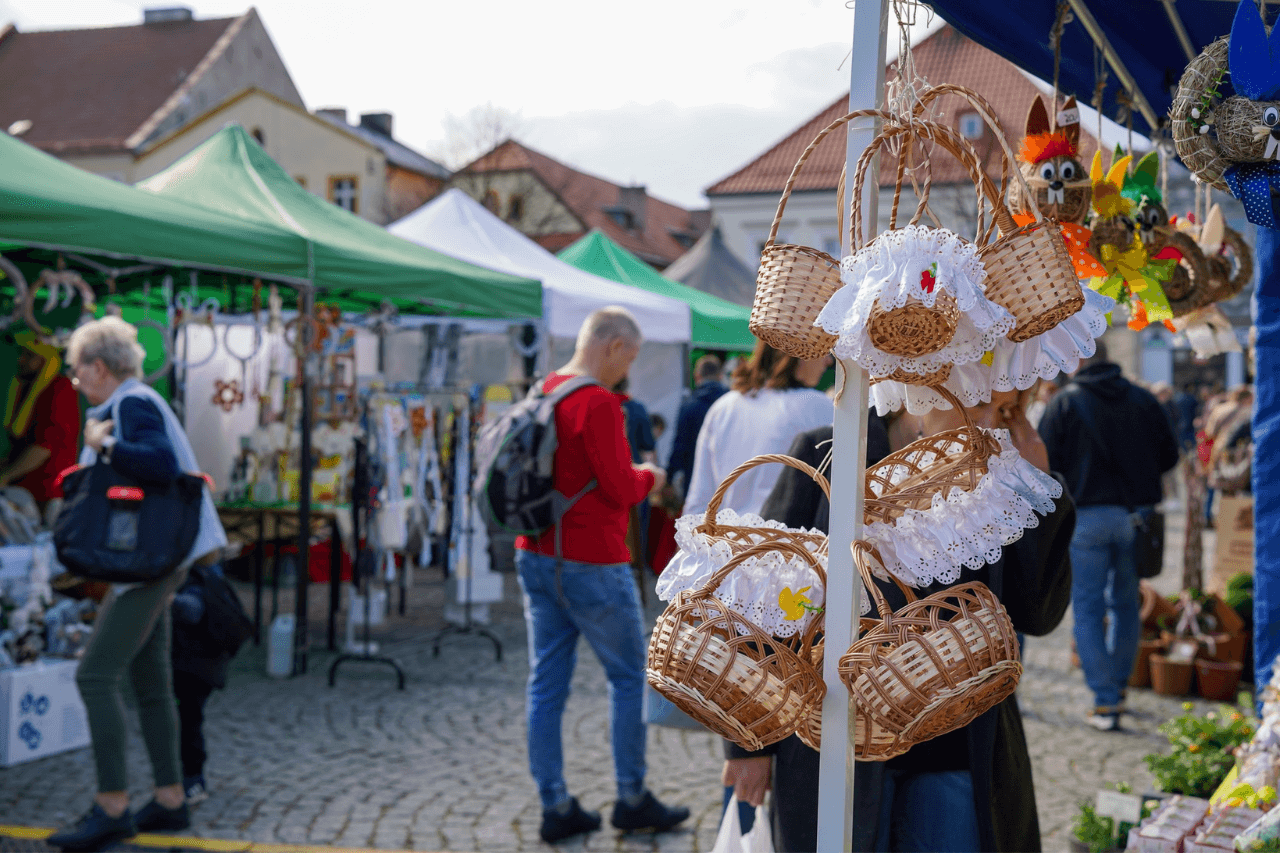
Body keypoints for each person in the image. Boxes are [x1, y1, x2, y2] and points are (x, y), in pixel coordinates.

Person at [724, 391, 1076, 852]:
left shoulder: (997, 477)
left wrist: (1036, 486)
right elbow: (759, 605)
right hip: (833, 744)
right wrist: (751, 744)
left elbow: (1038, 613)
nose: (990, 421)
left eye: (1007, 410)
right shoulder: (829, 454)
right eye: (979, 400)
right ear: (925, 385)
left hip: (957, 749)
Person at [47, 317, 227, 852]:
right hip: (156, 560)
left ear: (99, 367)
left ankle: (112, 805)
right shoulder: (136, 400)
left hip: (146, 563)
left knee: (95, 677)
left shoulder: (130, 404)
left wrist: (103, 444)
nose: (75, 383)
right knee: (151, 683)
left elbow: (159, 464)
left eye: (77, 372)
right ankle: (170, 799)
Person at [513, 307, 689, 844]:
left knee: (546, 684)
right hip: (593, 561)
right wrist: (652, 474)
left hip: (535, 554)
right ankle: (632, 798)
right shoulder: (599, 403)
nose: (627, 370)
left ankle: (554, 804)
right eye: (629, 358)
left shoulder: (543, 390)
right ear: (612, 346)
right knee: (628, 679)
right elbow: (618, 486)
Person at [1038, 341, 1178, 731]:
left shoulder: (1064, 403)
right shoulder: (1144, 399)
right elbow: (1170, 456)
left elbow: (1044, 464)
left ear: (1078, 356)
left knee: (1087, 608)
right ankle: (1117, 687)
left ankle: (1105, 701)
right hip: (1136, 517)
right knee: (1125, 605)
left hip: (1086, 518)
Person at [681, 342, 835, 517]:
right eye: (823, 349)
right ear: (799, 352)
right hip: (787, 541)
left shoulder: (723, 407)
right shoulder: (817, 406)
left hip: (724, 539)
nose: (828, 360)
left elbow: (699, 498)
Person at [171, 561, 239, 806]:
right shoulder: (209, 574)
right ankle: (187, 778)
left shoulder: (193, 580)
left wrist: (167, 600)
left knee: (188, 720)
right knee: (188, 719)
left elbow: (192, 611)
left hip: (193, 665)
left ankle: (192, 779)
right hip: (203, 664)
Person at [0, 330, 80, 519]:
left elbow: (43, 448)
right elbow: (19, 446)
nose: (20, 360)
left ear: (46, 358)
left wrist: (5, 476)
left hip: (44, 498)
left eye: (29, 355)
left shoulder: (60, 389)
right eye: (22, 353)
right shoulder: (26, 389)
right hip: (22, 493)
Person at [665, 355, 728, 501]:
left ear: (697, 376)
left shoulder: (689, 404)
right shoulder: (732, 403)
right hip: (726, 477)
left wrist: (669, 476)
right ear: (720, 376)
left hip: (695, 476)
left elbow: (680, 444)